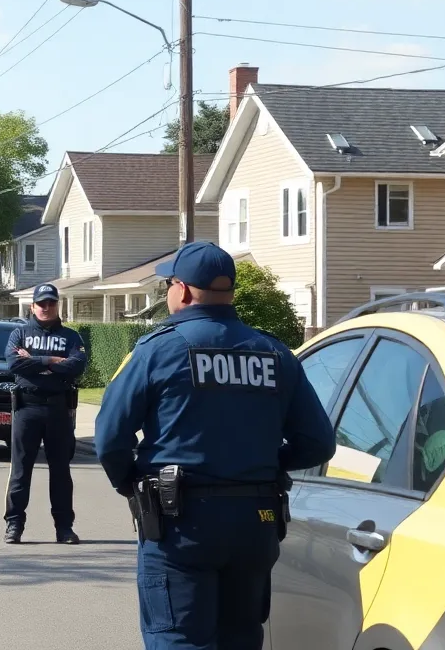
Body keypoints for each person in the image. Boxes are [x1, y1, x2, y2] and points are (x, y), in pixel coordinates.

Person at [94, 241, 336, 650]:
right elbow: (318, 443)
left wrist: (130, 482)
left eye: (169, 284)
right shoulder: (274, 353)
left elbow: (110, 437)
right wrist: (264, 464)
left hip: (181, 523)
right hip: (256, 520)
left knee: (179, 640)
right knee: (240, 639)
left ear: (183, 290)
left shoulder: (157, 350)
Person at [3, 283, 88, 545]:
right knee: (20, 470)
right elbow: (14, 363)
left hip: (58, 409)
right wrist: (51, 361)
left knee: (61, 471)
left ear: (57, 305)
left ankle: (64, 528)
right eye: (41, 303)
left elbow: (77, 365)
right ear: (32, 306)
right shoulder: (19, 333)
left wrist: (33, 361)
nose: (46, 307)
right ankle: (14, 525)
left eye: (51, 303)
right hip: (27, 408)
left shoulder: (71, 336)